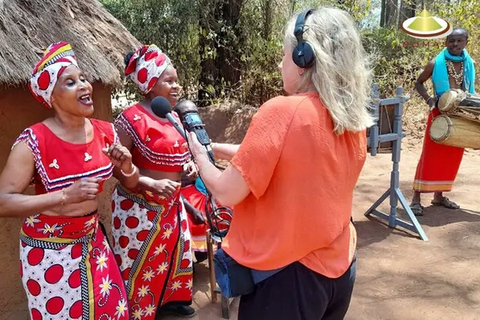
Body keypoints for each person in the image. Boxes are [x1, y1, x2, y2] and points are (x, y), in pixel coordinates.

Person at [188, 7, 373, 320]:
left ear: (304, 60)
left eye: (285, 55)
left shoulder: (283, 111)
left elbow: (226, 192)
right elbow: (281, 156)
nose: (279, 63)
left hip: (290, 279)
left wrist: (199, 156)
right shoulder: (351, 119)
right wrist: (217, 148)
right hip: (339, 268)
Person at [0, 42, 139, 319]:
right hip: (48, 251)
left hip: (92, 242)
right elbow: (3, 202)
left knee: (114, 312)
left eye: (84, 79)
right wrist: (64, 196)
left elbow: (131, 184)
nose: (85, 86)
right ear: (52, 97)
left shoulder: (106, 133)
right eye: (70, 82)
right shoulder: (34, 141)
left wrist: (128, 167)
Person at [111, 44, 197, 319]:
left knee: (173, 256)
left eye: (177, 80)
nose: (176, 86)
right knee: (140, 260)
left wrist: (189, 169)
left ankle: (170, 301)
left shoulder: (173, 117)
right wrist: (150, 184)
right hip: (138, 207)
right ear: (149, 83)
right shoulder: (129, 119)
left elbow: (180, 155)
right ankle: (138, 310)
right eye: (168, 81)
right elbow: (116, 167)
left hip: (171, 205)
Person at [410, 28, 476, 216]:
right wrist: (430, 100)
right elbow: (419, 83)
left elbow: (470, 88)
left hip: (461, 114)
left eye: (459, 41)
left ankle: (439, 196)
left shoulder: (469, 63)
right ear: (446, 43)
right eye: (451, 41)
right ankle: (416, 199)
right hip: (439, 112)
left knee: (452, 155)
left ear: (466, 42)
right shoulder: (435, 63)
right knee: (431, 155)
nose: (455, 44)